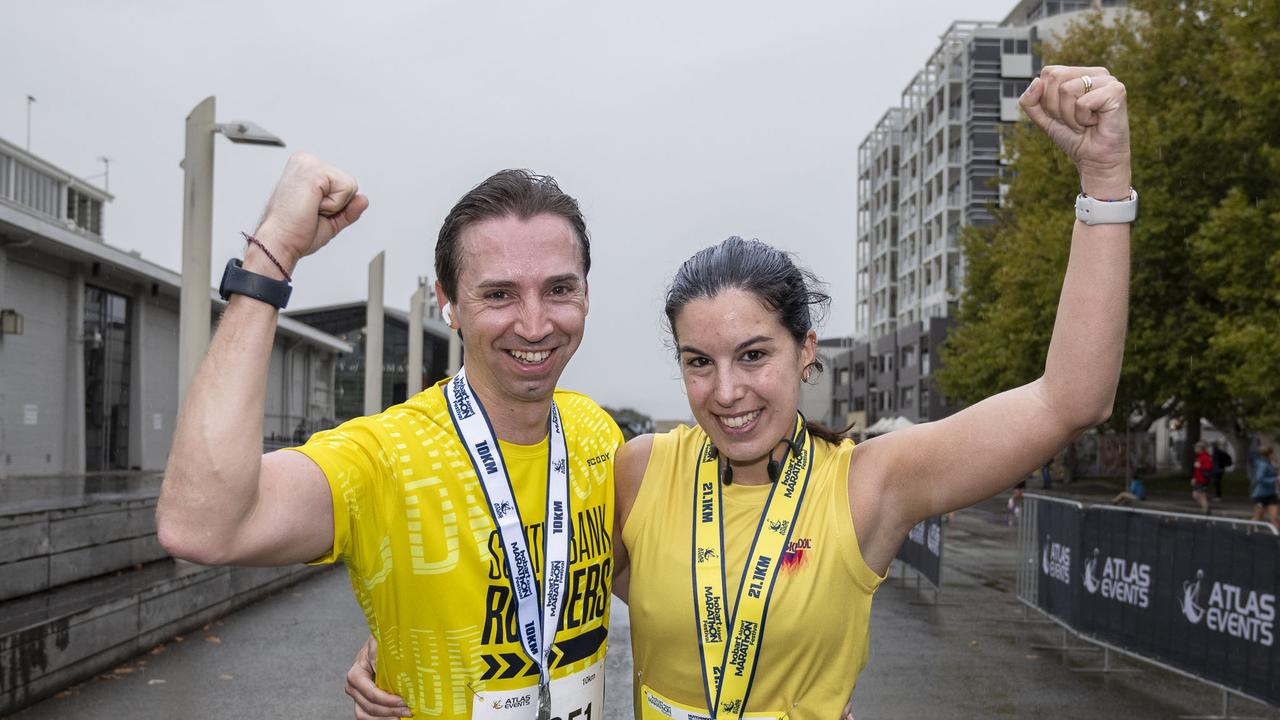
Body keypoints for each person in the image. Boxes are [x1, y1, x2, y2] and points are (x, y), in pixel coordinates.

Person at [347, 64, 1133, 720]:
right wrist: (398, 644)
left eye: (754, 354)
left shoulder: (869, 485)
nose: (728, 393)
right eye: (698, 362)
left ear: (806, 351)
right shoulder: (640, 470)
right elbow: (543, 586)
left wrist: (1103, 181)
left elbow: (1070, 398)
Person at [157, 161, 623, 719]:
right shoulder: (386, 456)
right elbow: (199, 525)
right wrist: (270, 256)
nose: (534, 323)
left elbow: (635, 579)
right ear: (449, 303)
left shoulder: (596, 432)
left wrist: (410, 633)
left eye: (559, 289)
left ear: (587, 294)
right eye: (499, 294)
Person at [1249, 444, 1279, 531]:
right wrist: (1275, 479)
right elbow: (1260, 479)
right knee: (1258, 517)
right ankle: (1248, 532)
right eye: (1273, 453)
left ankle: (1277, 539)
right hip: (1260, 495)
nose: (1274, 454)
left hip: (1271, 494)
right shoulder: (1263, 464)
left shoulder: (1269, 463)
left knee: (1274, 518)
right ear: (1269, 454)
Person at [1191, 440, 1213, 514]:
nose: (1195, 449)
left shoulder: (1205, 457)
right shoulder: (1199, 457)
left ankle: (1206, 509)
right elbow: (1196, 470)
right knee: (1196, 495)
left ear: (1200, 448)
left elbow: (1208, 467)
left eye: (1196, 447)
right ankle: (1206, 508)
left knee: (1200, 495)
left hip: (1202, 480)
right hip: (1198, 480)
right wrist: (1194, 478)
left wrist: (1200, 467)